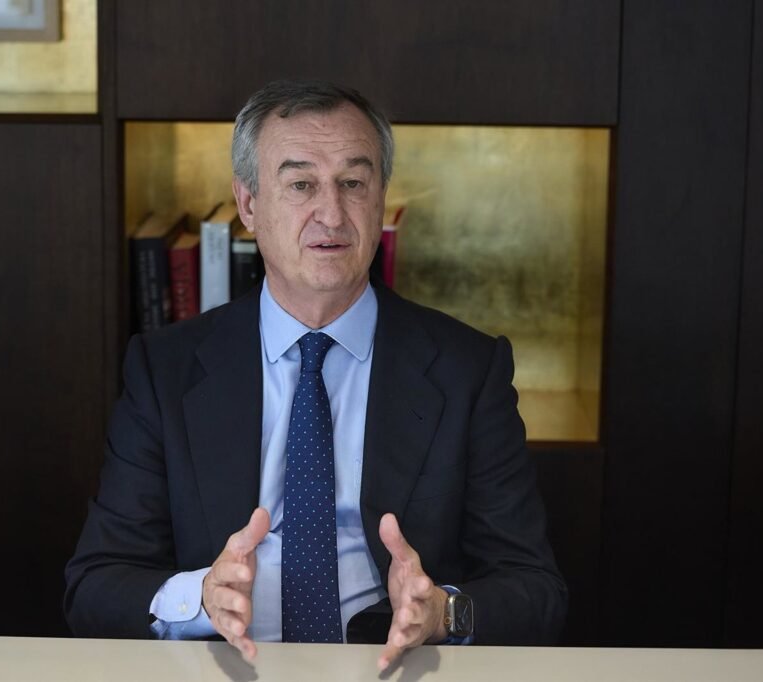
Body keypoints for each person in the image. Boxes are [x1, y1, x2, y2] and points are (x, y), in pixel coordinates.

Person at [65, 79, 566, 670]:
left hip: (395, 668)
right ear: (248, 205)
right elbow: (95, 586)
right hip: (224, 667)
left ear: (380, 199)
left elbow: (535, 590)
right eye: (301, 184)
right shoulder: (165, 370)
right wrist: (199, 598)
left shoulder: (467, 370)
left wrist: (442, 613)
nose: (331, 214)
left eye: (353, 183)